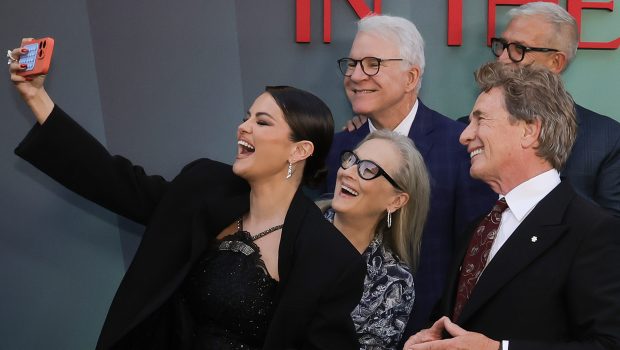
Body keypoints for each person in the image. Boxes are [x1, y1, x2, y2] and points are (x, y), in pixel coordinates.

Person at [8, 40, 366, 349]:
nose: (243, 126)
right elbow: (115, 182)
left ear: (299, 151)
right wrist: (37, 98)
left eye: (262, 122)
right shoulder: (205, 186)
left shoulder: (329, 258)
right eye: (247, 116)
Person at [404, 61, 620, 350]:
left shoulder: (593, 231)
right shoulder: (479, 227)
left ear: (530, 131)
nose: (464, 135)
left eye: (480, 120)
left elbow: (609, 344)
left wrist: (500, 349)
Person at [325, 14, 497, 336]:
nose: (356, 75)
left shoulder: (460, 147)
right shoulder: (337, 149)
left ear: (411, 77)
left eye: (373, 63)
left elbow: (473, 261)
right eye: (352, 63)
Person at [458, 2, 620, 217]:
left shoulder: (606, 139)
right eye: (503, 45)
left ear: (556, 62)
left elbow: (611, 236)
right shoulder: (464, 132)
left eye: (519, 49)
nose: (503, 58)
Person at [317, 130, 430, 349]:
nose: (348, 171)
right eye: (351, 160)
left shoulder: (394, 281)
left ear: (396, 201)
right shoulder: (295, 228)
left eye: (368, 169)